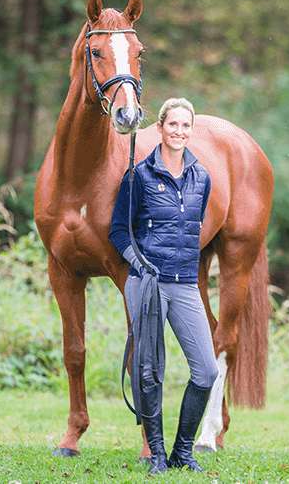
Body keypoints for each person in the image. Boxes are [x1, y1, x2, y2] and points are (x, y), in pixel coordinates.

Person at [108, 98, 216, 474]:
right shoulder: (138, 176)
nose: (180, 131)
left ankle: (182, 452)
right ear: (160, 127)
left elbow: (194, 227)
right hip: (147, 284)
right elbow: (119, 231)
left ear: (191, 130)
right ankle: (156, 455)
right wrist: (139, 264)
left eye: (186, 125)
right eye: (173, 124)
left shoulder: (201, 177)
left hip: (185, 284)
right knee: (149, 369)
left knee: (206, 369)